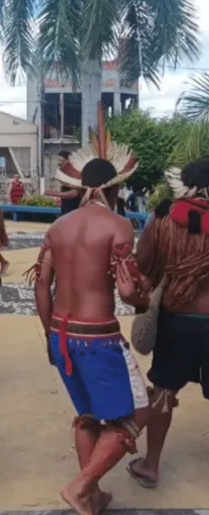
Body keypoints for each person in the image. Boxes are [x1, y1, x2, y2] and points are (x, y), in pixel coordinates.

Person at [29, 115, 149, 515]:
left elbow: (40, 286)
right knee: (137, 411)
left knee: (87, 415)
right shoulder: (118, 226)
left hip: (62, 333)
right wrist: (145, 299)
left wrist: (49, 334)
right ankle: (81, 485)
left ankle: (92, 497)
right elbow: (130, 292)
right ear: (116, 187)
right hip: (98, 337)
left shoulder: (59, 227)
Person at [127, 157, 209, 489]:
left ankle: (150, 466)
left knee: (163, 392)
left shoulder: (162, 218)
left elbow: (144, 263)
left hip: (179, 319)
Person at [45, 150, 81, 214]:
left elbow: (76, 191)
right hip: (65, 206)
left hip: (75, 206)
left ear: (68, 161)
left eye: (62, 160)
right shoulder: (60, 172)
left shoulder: (76, 172)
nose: (59, 163)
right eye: (58, 160)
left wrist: (54, 193)